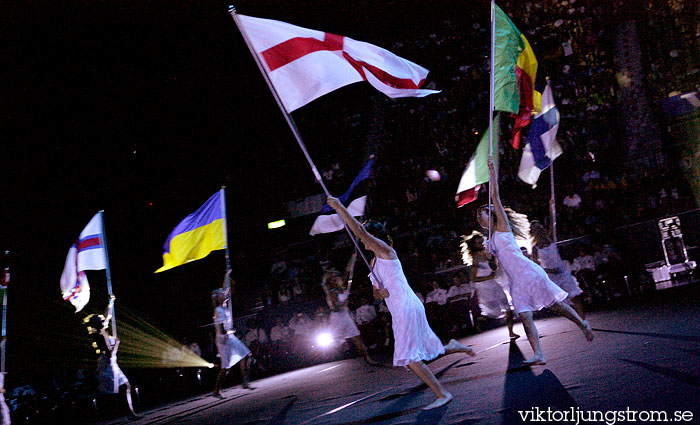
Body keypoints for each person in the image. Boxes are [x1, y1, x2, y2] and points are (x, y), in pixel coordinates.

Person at [328, 196, 475, 410]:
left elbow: (360, 232)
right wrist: (380, 292)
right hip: (399, 310)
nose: (362, 240)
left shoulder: (386, 251)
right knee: (418, 352)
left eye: (366, 234)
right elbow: (377, 295)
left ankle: (441, 393)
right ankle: (451, 347)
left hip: (406, 307)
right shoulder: (373, 260)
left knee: (408, 358)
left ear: (374, 235)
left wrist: (340, 208)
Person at [478, 159, 593, 366]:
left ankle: (582, 323)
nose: (480, 215)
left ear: (492, 214)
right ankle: (539, 354)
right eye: (478, 215)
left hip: (529, 272)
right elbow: (496, 264)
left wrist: (492, 170)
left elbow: (494, 195)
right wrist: (489, 255)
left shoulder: (503, 225)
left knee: (556, 305)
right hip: (516, 280)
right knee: (524, 316)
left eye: (483, 212)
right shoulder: (490, 239)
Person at [84, 295, 140, 420]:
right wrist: (117, 344)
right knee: (115, 391)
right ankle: (119, 413)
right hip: (108, 363)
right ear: (98, 323)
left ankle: (130, 413)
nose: (103, 318)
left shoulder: (101, 330)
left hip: (110, 363)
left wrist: (111, 302)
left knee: (124, 386)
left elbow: (108, 315)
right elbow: (110, 353)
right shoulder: (101, 334)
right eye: (100, 318)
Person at [461, 231, 519, 339]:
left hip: (494, 284)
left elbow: (494, 267)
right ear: (474, 245)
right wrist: (489, 277)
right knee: (491, 312)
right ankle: (481, 321)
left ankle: (511, 331)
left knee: (508, 307)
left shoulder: (487, 253)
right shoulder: (475, 259)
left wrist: (493, 258)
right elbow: (474, 278)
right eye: (479, 243)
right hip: (484, 288)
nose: (481, 245)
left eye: (482, 242)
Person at [320, 253, 375, 364]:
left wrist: (353, 258)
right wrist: (342, 304)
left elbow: (347, 270)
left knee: (357, 338)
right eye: (334, 278)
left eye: (337, 277)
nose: (337, 279)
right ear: (331, 281)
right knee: (336, 343)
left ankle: (368, 359)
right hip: (337, 319)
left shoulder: (342, 286)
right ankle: (325, 358)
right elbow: (334, 308)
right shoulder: (332, 292)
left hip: (346, 317)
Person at [530, 220, 586, 320]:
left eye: (540, 228)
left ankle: (583, 320)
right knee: (562, 303)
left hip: (563, 272)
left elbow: (552, 222)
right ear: (533, 232)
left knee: (575, 297)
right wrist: (550, 271)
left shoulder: (550, 239)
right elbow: (535, 267)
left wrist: (551, 205)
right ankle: (577, 319)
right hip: (552, 277)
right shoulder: (535, 248)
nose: (539, 230)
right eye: (536, 229)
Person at [211, 271, 254, 398]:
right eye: (221, 294)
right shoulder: (219, 310)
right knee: (225, 368)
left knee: (245, 354)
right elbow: (221, 329)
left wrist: (227, 274)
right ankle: (216, 391)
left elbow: (226, 288)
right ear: (218, 298)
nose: (224, 293)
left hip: (230, 337)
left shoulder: (224, 306)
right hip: (223, 340)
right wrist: (231, 331)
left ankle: (245, 382)